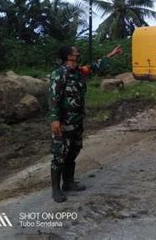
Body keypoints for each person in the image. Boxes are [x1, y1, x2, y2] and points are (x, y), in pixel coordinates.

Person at [49, 44, 123, 203]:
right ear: (69, 56)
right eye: (75, 50)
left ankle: (68, 183)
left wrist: (112, 53)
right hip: (63, 122)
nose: (78, 52)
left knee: (73, 151)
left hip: (77, 120)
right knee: (59, 155)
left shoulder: (78, 71)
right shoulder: (59, 74)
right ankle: (56, 189)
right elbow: (54, 98)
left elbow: (95, 66)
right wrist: (54, 120)